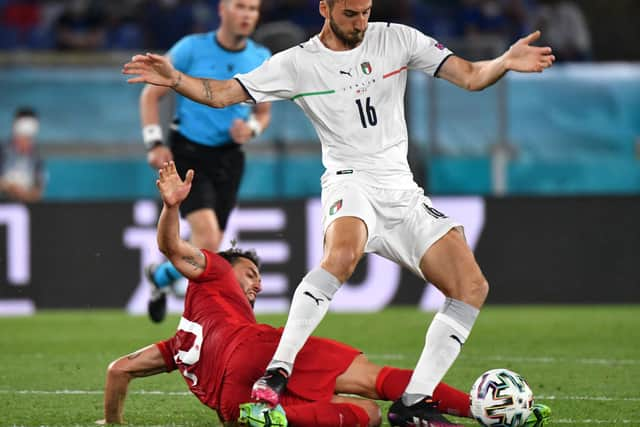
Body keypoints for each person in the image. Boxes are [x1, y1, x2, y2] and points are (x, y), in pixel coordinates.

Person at [122, 0, 555, 424]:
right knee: (342, 257)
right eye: (351, 13)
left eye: (366, 11)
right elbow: (221, 94)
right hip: (351, 182)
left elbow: (471, 76)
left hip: (402, 191)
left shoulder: (398, 39)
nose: (361, 22)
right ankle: (277, 371)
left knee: (472, 286)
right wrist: (176, 79)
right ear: (324, 8)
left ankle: (415, 402)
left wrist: (503, 61)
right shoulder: (297, 63)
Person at [97, 161, 490, 427]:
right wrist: (171, 208)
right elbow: (172, 249)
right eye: (250, 274)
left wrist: (112, 423)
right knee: (372, 378)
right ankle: (477, 408)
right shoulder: (214, 270)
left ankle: (271, 418)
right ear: (223, 265)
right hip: (257, 352)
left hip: (234, 407)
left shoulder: (176, 347)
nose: (257, 285)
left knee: (366, 414)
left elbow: (119, 370)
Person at [139, 0, 271, 323]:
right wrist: (154, 142)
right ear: (222, 10)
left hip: (229, 157)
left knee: (209, 249)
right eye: (240, 7)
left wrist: (251, 128)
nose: (247, 15)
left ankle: (160, 278)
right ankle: (200, 316)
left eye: (253, 9)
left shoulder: (261, 58)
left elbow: (263, 114)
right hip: (189, 152)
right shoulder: (190, 48)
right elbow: (150, 95)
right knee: (208, 237)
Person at [0, 107, 47, 202]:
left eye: (29, 137)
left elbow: (39, 191)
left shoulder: (36, 157)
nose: (25, 141)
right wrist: (9, 187)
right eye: (22, 135)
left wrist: (26, 195)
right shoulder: (3, 152)